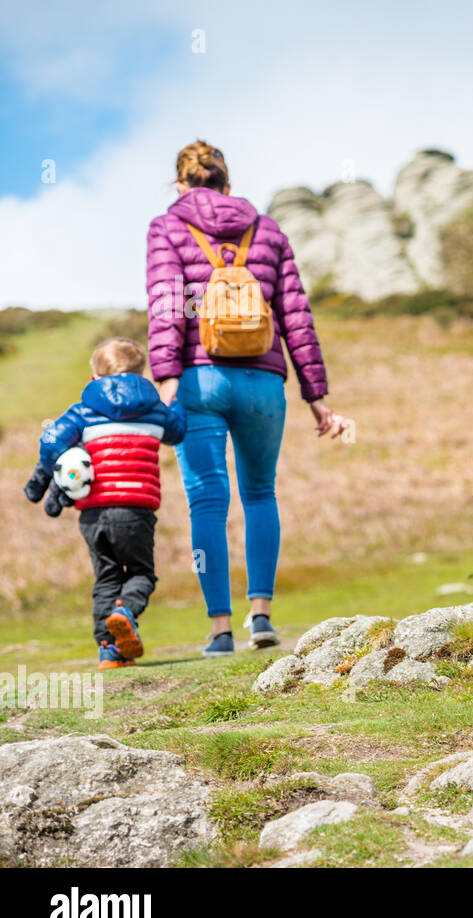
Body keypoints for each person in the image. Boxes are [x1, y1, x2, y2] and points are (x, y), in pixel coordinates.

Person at [146, 140, 346, 658]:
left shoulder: (167, 227)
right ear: (228, 186)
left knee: (207, 502)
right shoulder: (268, 229)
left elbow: (167, 303)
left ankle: (219, 629)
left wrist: (166, 376)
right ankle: (261, 616)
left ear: (180, 184)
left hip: (199, 378)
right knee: (260, 494)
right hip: (262, 382)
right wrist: (317, 396)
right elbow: (296, 315)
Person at [23, 338, 186, 670]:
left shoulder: (83, 411)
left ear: (95, 376)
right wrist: (176, 401)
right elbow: (177, 431)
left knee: (106, 577)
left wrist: (57, 470)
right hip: (137, 510)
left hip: (94, 510)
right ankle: (124, 612)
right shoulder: (155, 409)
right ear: (141, 373)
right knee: (141, 573)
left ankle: (108, 651)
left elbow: (51, 439)